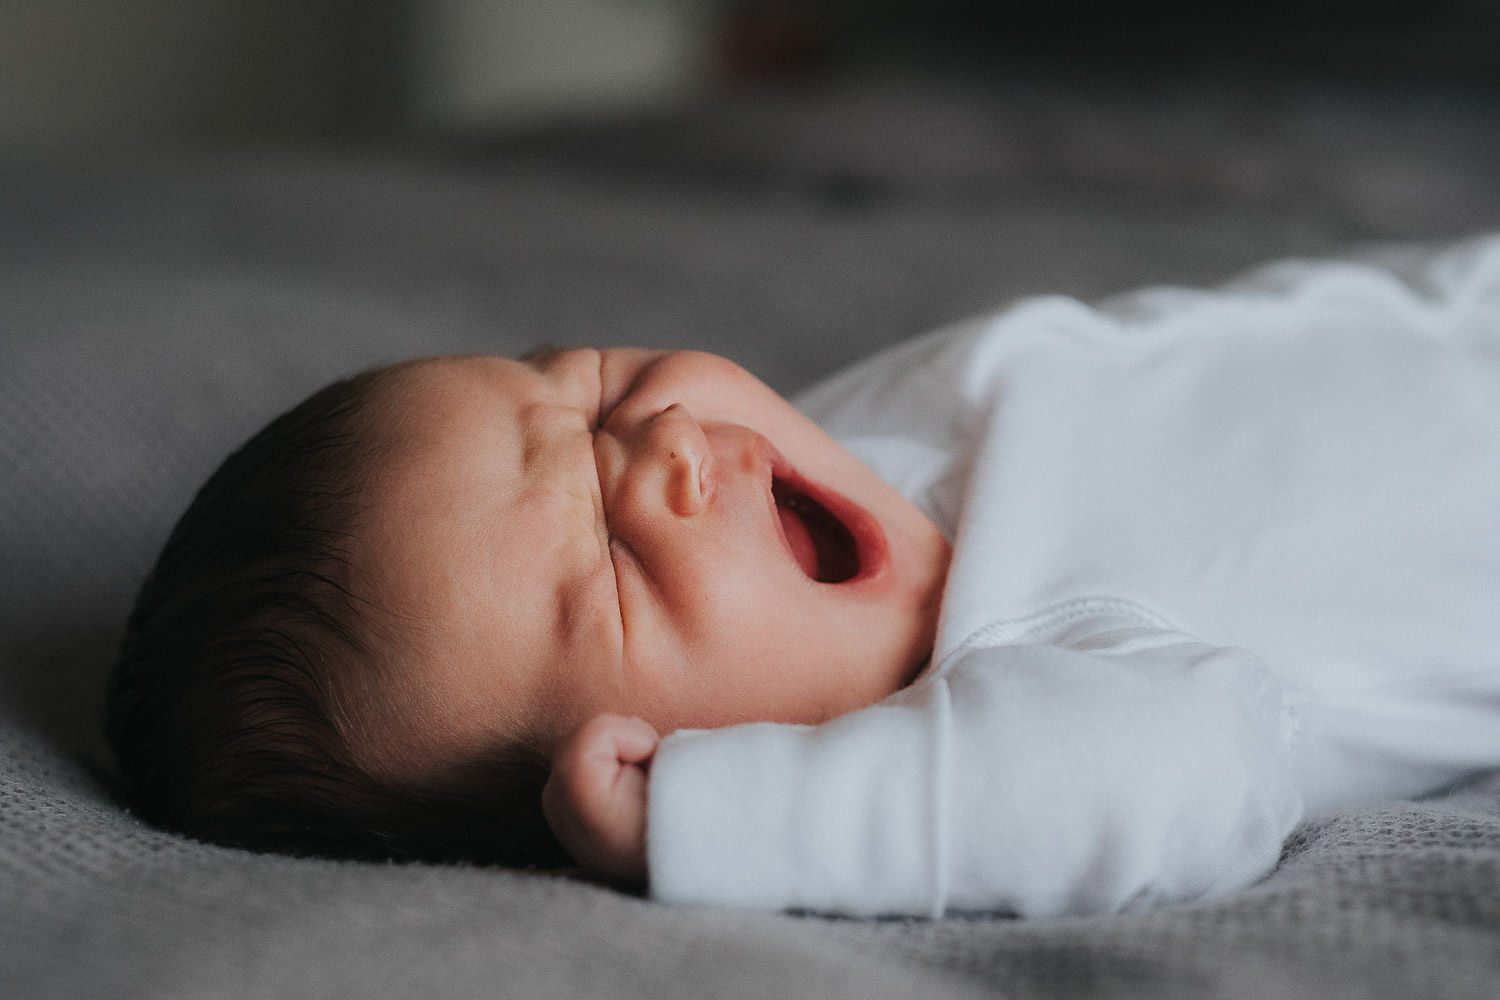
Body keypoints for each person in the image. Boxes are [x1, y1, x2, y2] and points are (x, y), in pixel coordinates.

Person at [107, 238, 1500, 919]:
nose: (660, 444)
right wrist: (742, 825)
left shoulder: (847, 454)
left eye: (588, 392)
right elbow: (1205, 775)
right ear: (643, 759)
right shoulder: (1034, 680)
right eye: (604, 558)